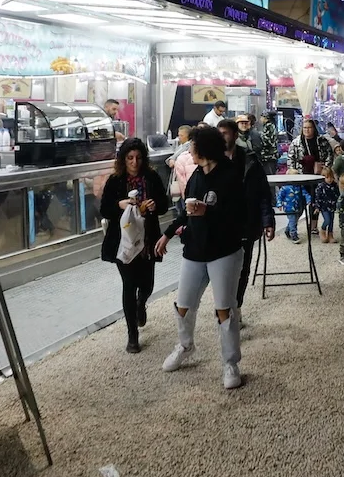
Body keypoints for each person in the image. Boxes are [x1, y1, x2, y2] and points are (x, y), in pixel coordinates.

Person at [154, 124, 249, 390]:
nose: (189, 151)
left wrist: (209, 212)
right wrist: (168, 234)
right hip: (194, 250)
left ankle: (231, 363)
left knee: (224, 308)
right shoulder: (196, 175)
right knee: (183, 304)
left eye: (193, 146)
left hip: (224, 251)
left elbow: (238, 217)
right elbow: (186, 211)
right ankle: (185, 345)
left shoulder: (230, 176)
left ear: (204, 149)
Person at [99, 138, 169, 354]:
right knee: (129, 285)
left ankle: (141, 304)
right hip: (123, 243)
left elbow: (164, 205)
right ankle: (132, 335)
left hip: (147, 240)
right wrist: (119, 205)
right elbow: (104, 210)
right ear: (123, 159)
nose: (134, 162)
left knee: (147, 284)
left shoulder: (152, 177)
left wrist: (155, 205)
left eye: (138, 158)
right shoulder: (115, 181)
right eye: (130, 158)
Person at [219, 119, 276, 312]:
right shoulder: (210, 162)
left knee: (243, 268)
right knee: (222, 270)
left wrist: (268, 220)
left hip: (246, 223)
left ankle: (235, 306)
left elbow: (263, 193)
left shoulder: (250, 161)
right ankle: (225, 306)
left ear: (235, 135)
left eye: (225, 133)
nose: (222, 137)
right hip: (220, 226)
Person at [282, 119, 330, 240]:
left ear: (314, 128)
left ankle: (313, 227)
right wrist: (292, 171)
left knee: (316, 201)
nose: (307, 130)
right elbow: (290, 159)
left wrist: (326, 167)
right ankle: (292, 227)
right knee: (300, 203)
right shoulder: (296, 142)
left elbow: (330, 154)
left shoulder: (322, 141)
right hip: (301, 176)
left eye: (309, 127)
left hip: (318, 176)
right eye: (305, 128)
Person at [168, 125, 197, 198]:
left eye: (181, 135)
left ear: (187, 136)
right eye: (178, 135)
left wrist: (172, 159)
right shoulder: (181, 146)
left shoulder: (187, 147)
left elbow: (173, 158)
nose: (179, 138)